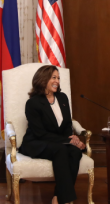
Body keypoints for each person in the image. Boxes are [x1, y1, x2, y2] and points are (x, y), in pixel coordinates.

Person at [18, 65, 85, 204]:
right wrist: (67, 140)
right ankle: (66, 200)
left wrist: (74, 139)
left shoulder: (62, 98)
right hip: (36, 142)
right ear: (43, 79)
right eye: (53, 77)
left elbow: (67, 125)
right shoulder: (32, 103)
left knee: (75, 152)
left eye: (58, 78)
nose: (57, 81)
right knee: (61, 149)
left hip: (57, 141)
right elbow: (40, 133)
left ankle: (57, 197)